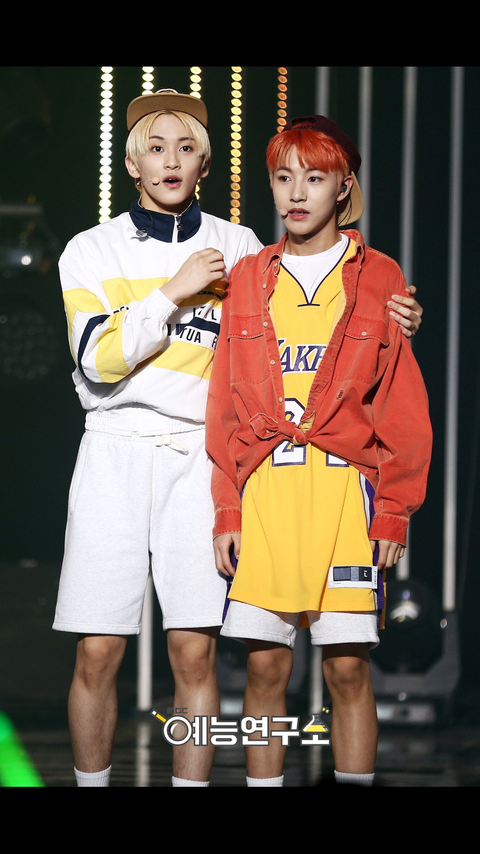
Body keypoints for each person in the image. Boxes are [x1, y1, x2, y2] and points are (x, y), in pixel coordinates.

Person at [53, 89, 422, 788]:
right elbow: (96, 360)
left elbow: (344, 341)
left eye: (186, 148)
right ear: (132, 163)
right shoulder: (89, 250)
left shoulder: (242, 249)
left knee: (197, 652)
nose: (170, 160)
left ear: (205, 165)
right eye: (155, 148)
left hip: (204, 454)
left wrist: (401, 315)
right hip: (116, 446)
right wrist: (174, 291)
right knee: (98, 652)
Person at [206, 115, 432, 788]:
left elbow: (400, 403)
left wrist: (393, 511)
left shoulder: (381, 276)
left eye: (314, 177)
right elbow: (224, 404)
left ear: (344, 186)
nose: (296, 192)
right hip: (268, 493)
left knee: (348, 669)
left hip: (344, 497)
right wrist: (227, 509)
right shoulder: (248, 278)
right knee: (264, 667)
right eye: (283, 177)